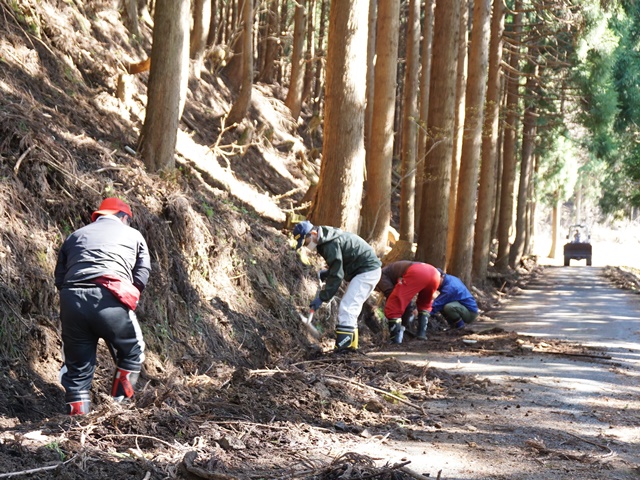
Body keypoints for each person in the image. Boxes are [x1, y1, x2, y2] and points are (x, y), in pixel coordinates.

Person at [54, 197, 151, 415]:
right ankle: (118, 409)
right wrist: (128, 293)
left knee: (77, 367)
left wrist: (76, 299)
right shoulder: (133, 235)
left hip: (72, 299)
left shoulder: (75, 235)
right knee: (132, 353)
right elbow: (142, 271)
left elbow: (60, 277)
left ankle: (76, 421)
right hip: (110, 296)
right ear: (124, 217)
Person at [292, 220, 382, 352]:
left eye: (306, 242)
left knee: (348, 307)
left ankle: (343, 349)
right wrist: (329, 273)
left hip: (367, 271)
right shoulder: (326, 239)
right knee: (351, 309)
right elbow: (340, 264)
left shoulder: (329, 244)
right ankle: (351, 347)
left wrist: (322, 297)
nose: (307, 246)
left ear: (312, 233)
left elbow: (337, 275)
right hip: (364, 270)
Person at [376, 261, 441, 343]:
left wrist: (402, 323)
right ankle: (421, 334)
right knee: (424, 303)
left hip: (418, 272)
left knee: (394, 304)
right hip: (434, 273)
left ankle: (395, 340)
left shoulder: (381, 275)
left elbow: (395, 297)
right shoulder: (393, 270)